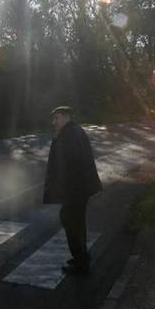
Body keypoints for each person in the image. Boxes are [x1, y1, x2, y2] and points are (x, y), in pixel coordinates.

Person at [43, 106, 102, 275]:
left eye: (56, 119)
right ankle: (81, 257)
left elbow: (69, 164)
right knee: (75, 223)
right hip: (80, 189)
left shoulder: (68, 135)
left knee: (72, 223)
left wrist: (63, 188)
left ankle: (80, 263)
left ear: (64, 117)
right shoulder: (76, 131)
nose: (53, 123)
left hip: (74, 190)